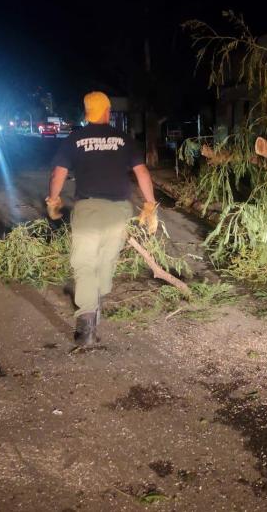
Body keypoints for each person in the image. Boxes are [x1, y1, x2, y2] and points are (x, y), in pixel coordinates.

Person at [45, 91, 158, 346]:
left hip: (87, 209)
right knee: (107, 258)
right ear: (107, 112)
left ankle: (86, 319)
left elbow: (58, 174)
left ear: (87, 113)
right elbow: (142, 173)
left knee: (84, 263)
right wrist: (150, 206)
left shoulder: (74, 139)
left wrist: (54, 201)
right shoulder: (123, 139)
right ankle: (97, 296)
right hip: (118, 211)